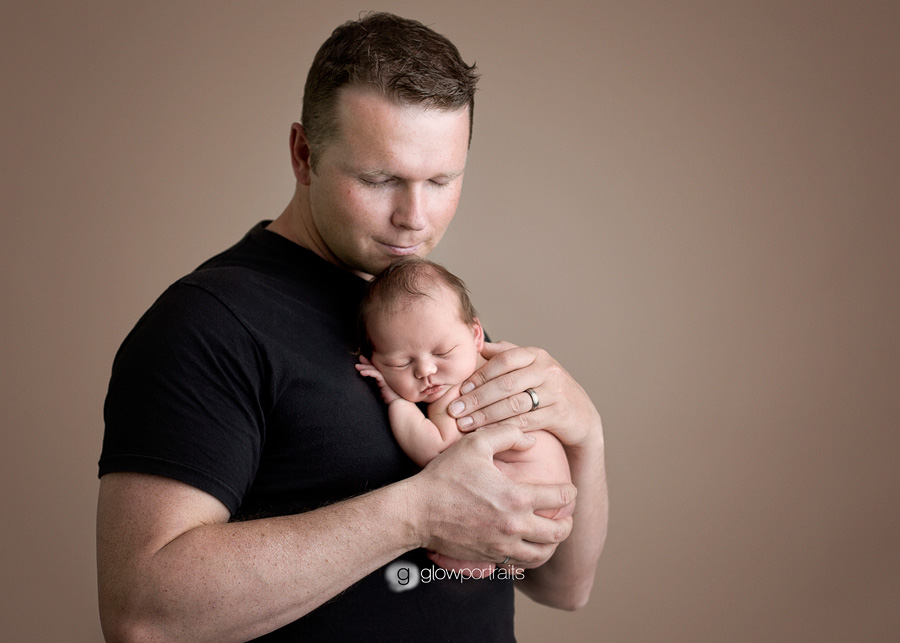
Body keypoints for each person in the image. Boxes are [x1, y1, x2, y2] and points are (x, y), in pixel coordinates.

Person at [97, 12, 608, 643]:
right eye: (380, 179)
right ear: (303, 155)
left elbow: (562, 587)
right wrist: (416, 515)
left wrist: (586, 434)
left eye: (442, 180)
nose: (414, 219)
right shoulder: (206, 324)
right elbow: (143, 615)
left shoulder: (424, 317)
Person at [356, 256, 574, 576]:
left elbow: (435, 449)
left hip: (526, 495)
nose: (427, 371)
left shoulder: (453, 393)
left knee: (448, 552)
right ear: (374, 357)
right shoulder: (499, 364)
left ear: (476, 335)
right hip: (557, 497)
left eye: (442, 353)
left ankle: (477, 564)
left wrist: (396, 402)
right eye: (402, 364)